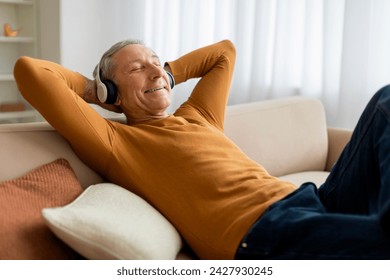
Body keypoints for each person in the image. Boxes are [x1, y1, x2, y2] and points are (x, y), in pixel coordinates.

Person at [14, 39, 390, 260]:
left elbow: (224, 53)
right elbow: (30, 72)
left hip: (313, 200)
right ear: (112, 94)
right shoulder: (118, 143)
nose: (155, 72)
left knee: (385, 102)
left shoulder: (199, 115)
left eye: (156, 63)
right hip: (265, 233)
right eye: (136, 70)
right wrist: (96, 90)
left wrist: (169, 70)